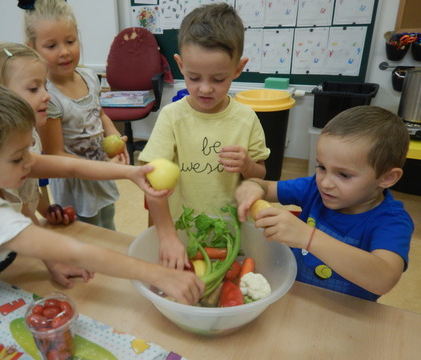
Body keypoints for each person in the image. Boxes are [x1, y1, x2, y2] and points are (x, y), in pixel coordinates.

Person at [0, 71, 204, 305]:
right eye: (18, 157)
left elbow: (70, 165)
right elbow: (76, 251)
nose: (29, 163)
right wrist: (160, 275)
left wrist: (132, 173)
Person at [137, 3, 270, 269]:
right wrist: (166, 236)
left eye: (218, 79)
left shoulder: (246, 118)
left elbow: (260, 175)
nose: (205, 89)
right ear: (180, 65)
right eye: (194, 77)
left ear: (238, 68)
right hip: (181, 232)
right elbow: (151, 183)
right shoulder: (172, 117)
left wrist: (247, 165)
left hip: (231, 232)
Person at [236, 106, 414, 301]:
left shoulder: (391, 221)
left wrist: (307, 236)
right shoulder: (313, 188)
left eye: (344, 175)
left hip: (344, 316)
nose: (325, 183)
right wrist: (252, 186)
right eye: (321, 167)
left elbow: (384, 278)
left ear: (387, 177)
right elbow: (266, 187)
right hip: (295, 298)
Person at [23, 0, 127, 231]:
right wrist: (99, 169)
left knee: (108, 225)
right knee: (85, 233)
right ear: (32, 48)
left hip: (100, 176)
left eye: (70, 41)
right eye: (51, 46)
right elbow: (55, 154)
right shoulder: (47, 97)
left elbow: (100, 114)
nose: (64, 51)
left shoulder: (89, 76)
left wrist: (115, 138)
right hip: (76, 186)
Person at [0, 42, 61, 226]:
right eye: (34, 89)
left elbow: (26, 190)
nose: (47, 96)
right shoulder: (0, 154)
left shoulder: (30, 135)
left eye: (45, 86)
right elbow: (19, 207)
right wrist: (43, 244)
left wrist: (46, 210)